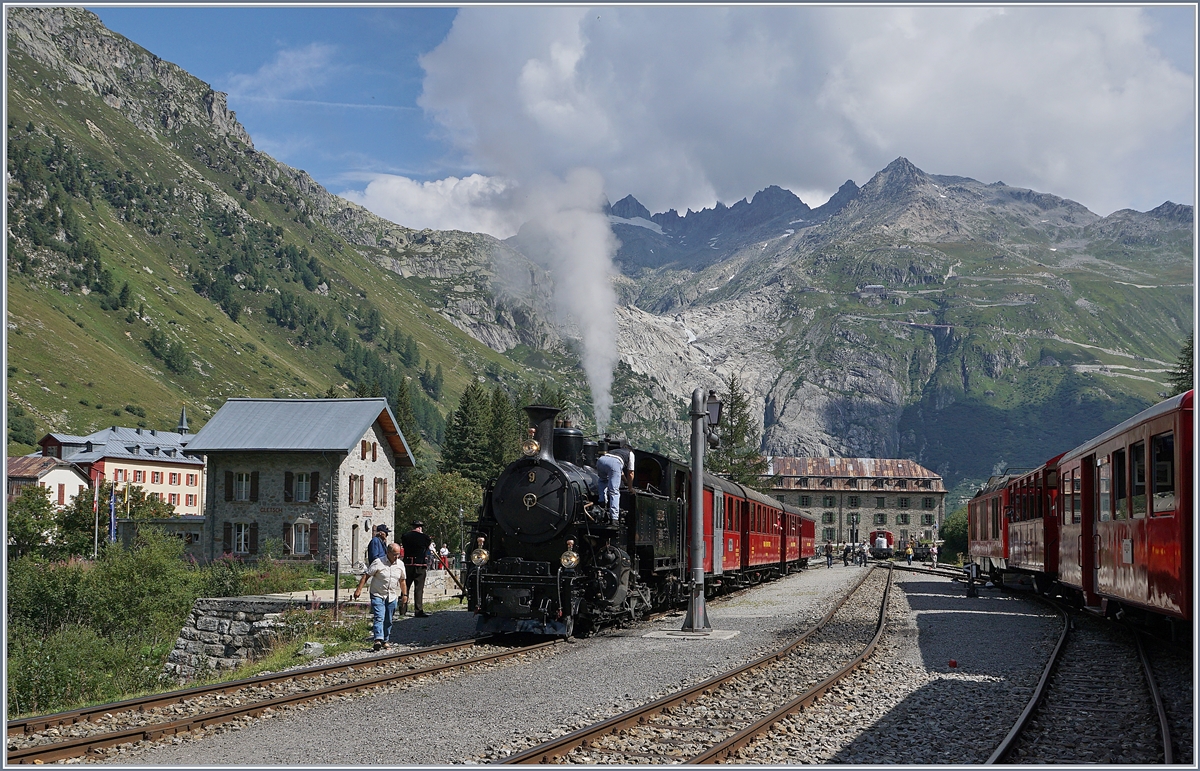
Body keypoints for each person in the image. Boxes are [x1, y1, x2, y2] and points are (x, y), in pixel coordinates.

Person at [353, 542, 407, 651]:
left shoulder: (400, 565)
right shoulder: (378, 562)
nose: (397, 557)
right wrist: (358, 589)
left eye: (398, 554)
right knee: (379, 617)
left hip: (392, 595)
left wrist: (404, 594)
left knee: (389, 620)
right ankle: (377, 639)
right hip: (378, 594)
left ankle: (385, 640)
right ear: (388, 552)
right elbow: (366, 576)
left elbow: (402, 581)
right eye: (395, 554)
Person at [596, 441, 634, 526]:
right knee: (614, 490)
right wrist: (630, 488)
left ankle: (602, 502)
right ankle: (614, 518)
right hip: (614, 463)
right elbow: (631, 473)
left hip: (601, 460)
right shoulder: (630, 454)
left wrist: (625, 482)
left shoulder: (615, 451)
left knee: (602, 481)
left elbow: (621, 473)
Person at [401, 521, 433, 617]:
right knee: (418, 589)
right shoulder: (425, 538)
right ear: (420, 528)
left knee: (405, 587)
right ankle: (418, 610)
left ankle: (402, 609)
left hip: (408, 565)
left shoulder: (405, 536)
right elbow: (427, 546)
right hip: (420, 565)